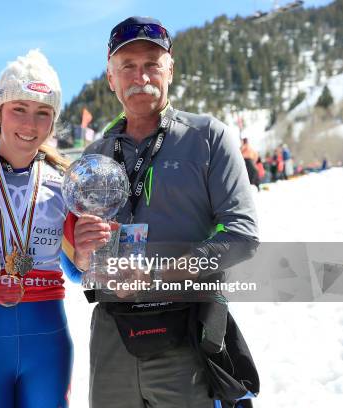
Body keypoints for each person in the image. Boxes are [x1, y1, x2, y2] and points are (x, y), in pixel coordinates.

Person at [60, 17, 259, 408]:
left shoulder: (207, 137)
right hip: (112, 335)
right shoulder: (93, 157)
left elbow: (243, 235)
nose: (141, 76)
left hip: (185, 330)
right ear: (111, 78)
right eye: (128, 66)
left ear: (170, 68)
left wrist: (159, 270)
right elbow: (75, 263)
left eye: (152, 64)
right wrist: (83, 256)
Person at [0, 49, 77, 408]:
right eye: (18, 109)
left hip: (47, 338)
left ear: (52, 123)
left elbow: (83, 268)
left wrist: (93, 247)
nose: (30, 124)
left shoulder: (66, 183)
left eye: (43, 114)